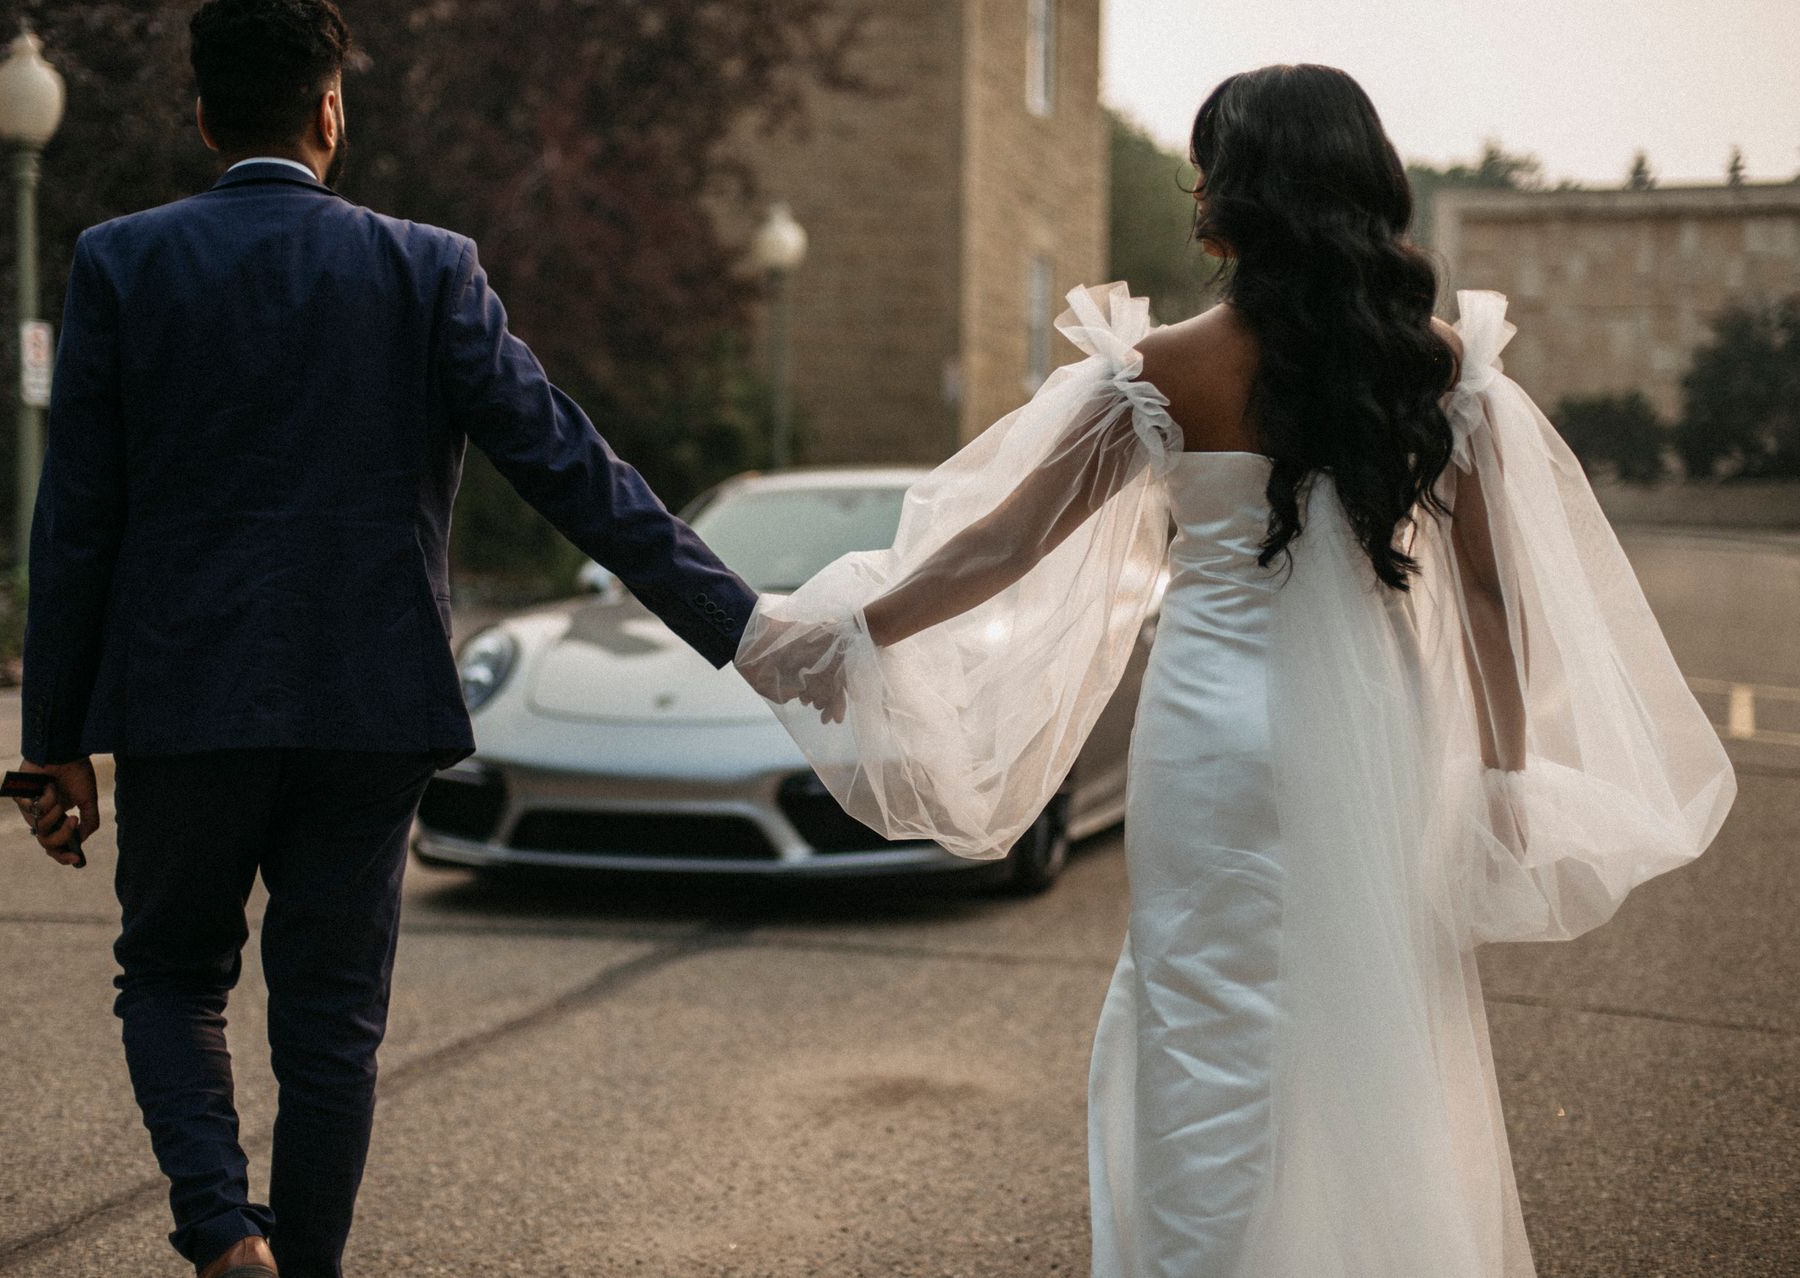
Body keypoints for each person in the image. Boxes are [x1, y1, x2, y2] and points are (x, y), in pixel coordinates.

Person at [735, 64, 1735, 1276]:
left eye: (1208, 165)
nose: (1195, 186)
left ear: (1242, 193)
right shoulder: (1437, 372)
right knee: (1371, 1014)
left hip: (1209, 734)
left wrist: (855, 631)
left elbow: (1003, 541)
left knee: (1204, 1020)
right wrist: (1512, 773)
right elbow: (1483, 598)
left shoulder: (1165, 368)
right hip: (1376, 727)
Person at [12, 2, 755, 1274]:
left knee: (174, 979)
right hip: (374, 700)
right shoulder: (427, 268)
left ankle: (217, 1236)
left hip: (184, 700)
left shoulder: (120, 262)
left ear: (203, 115)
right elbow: (566, 463)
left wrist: (56, 744)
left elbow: (76, 520)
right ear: (331, 113)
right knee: (331, 1027)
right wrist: (741, 626)